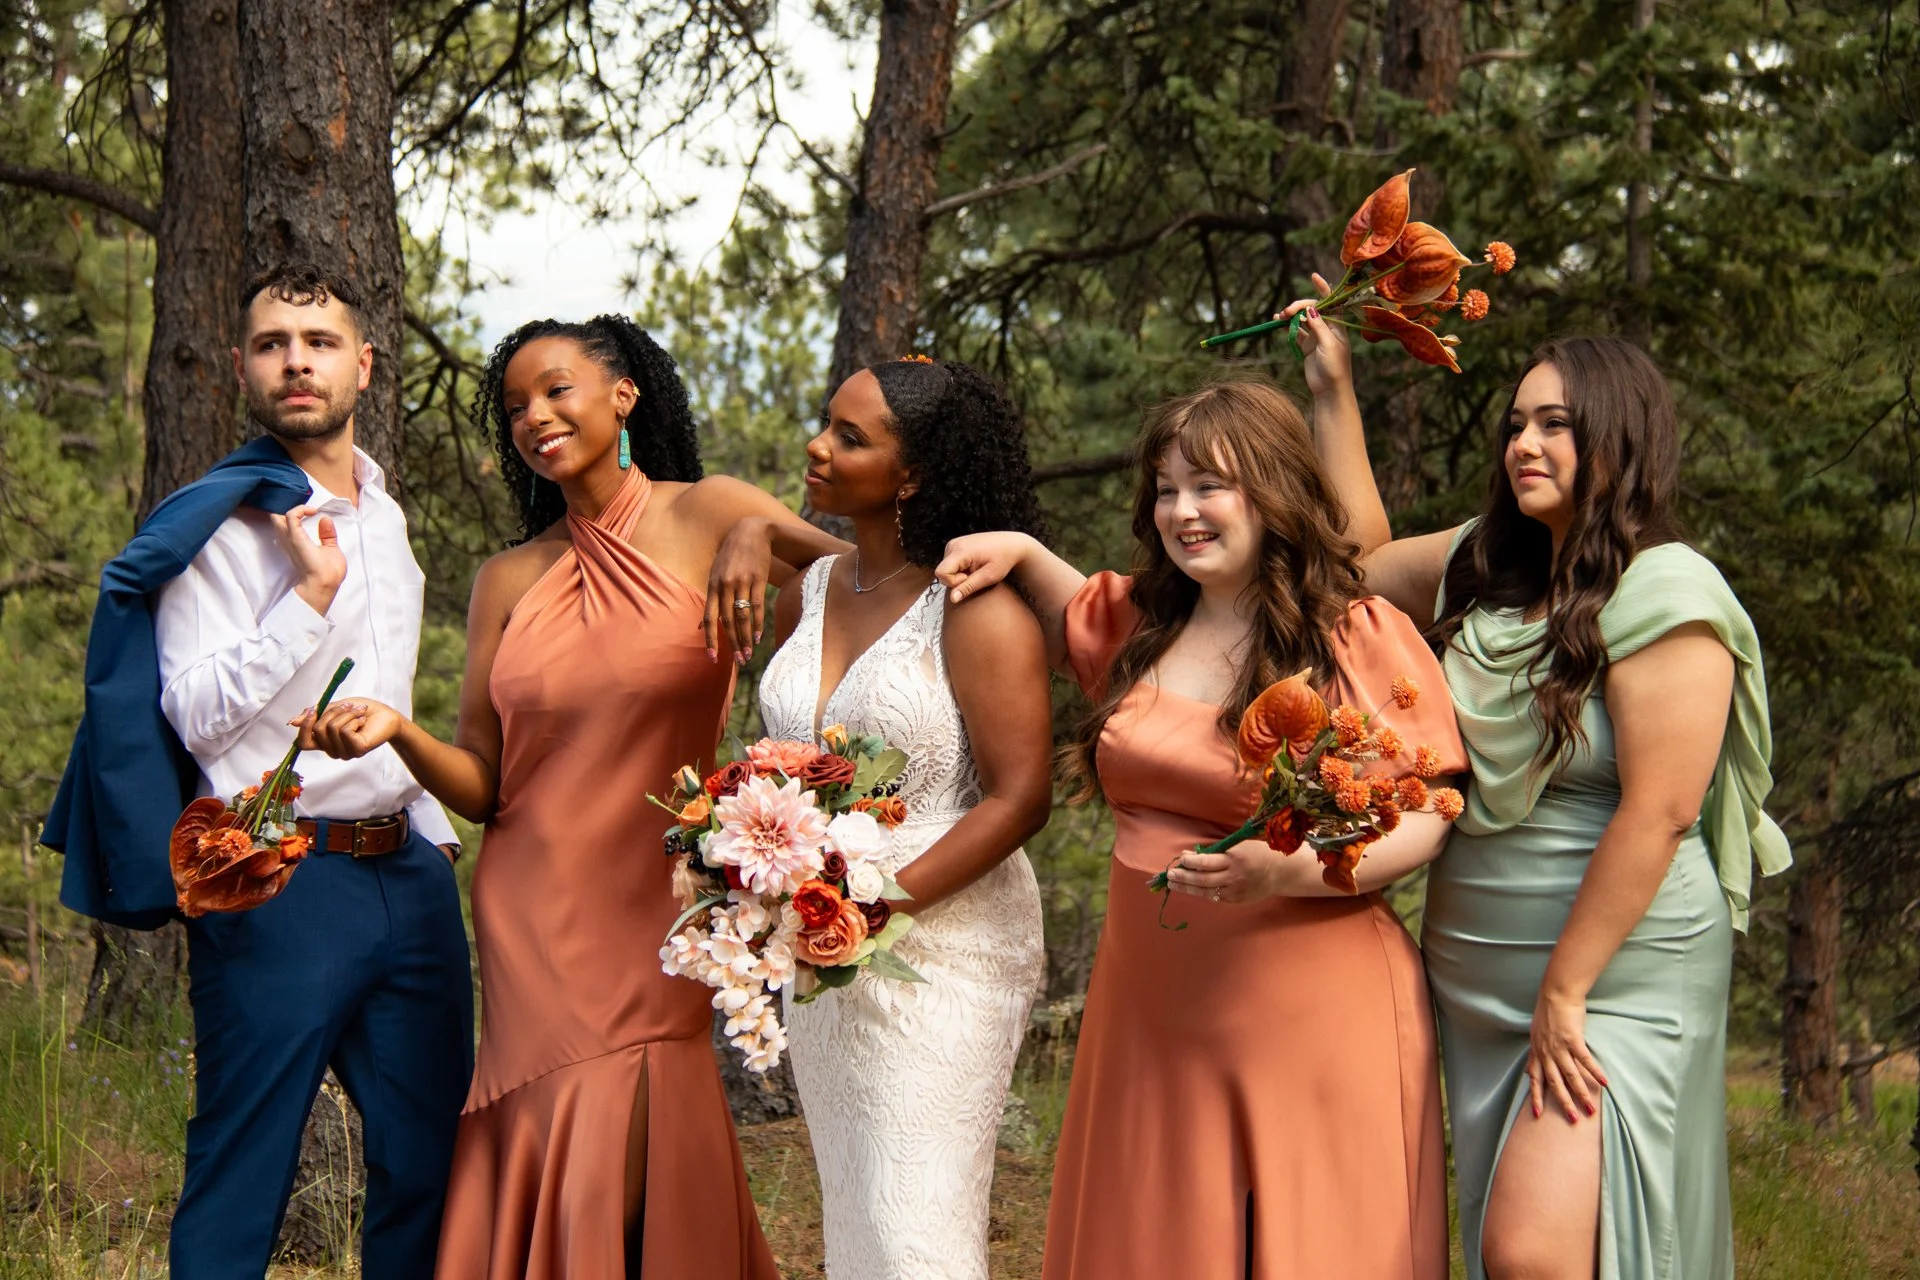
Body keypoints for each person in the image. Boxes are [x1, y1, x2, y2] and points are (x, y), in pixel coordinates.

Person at [302, 314, 842, 1277]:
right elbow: (484, 785)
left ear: (622, 394)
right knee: (565, 1132)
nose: (535, 416)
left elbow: (868, 584)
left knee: (636, 1155)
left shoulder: (712, 509)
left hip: (655, 903)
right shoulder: (508, 577)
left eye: (556, 390)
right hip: (531, 905)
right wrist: (403, 733)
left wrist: (761, 529)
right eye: (514, 407)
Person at [1282, 300, 1792, 1280]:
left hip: (1613, 974)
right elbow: (1361, 570)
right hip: (1480, 976)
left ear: (1621, 435)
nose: (1525, 440)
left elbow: (1661, 809)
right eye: (1517, 422)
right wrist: (1333, 393)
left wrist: (1567, 990)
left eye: (1556, 422)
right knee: (1525, 1239)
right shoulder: (1489, 561)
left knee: (1532, 1250)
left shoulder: (1668, 591)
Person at [936, 377, 1466, 1280]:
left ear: (1271, 487)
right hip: (1153, 1009)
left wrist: (1285, 871)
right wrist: (1023, 547)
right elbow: (1072, 608)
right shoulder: (1143, 620)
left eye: (1209, 485)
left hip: (1312, 1005)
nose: (1182, 511)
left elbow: (1422, 821)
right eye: (1167, 489)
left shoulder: (1354, 634)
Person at [46, 261, 474, 1278]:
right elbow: (190, 708)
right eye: (275, 343)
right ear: (242, 365)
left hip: (407, 881)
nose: (297, 361)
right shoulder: (218, 525)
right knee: (243, 1173)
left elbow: (396, 689)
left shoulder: (389, 516)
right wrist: (308, 597)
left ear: (363, 365)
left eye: (319, 342)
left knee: (432, 1166)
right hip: (278, 880)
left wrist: (436, 837)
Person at [713, 355, 1053, 1279]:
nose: (817, 446)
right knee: (859, 1217)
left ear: (913, 477)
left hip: (943, 944)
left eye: (849, 437)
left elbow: (1024, 797)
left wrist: (877, 905)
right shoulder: (810, 595)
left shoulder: (975, 611)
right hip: (820, 952)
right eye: (826, 422)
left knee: (917, 1231)